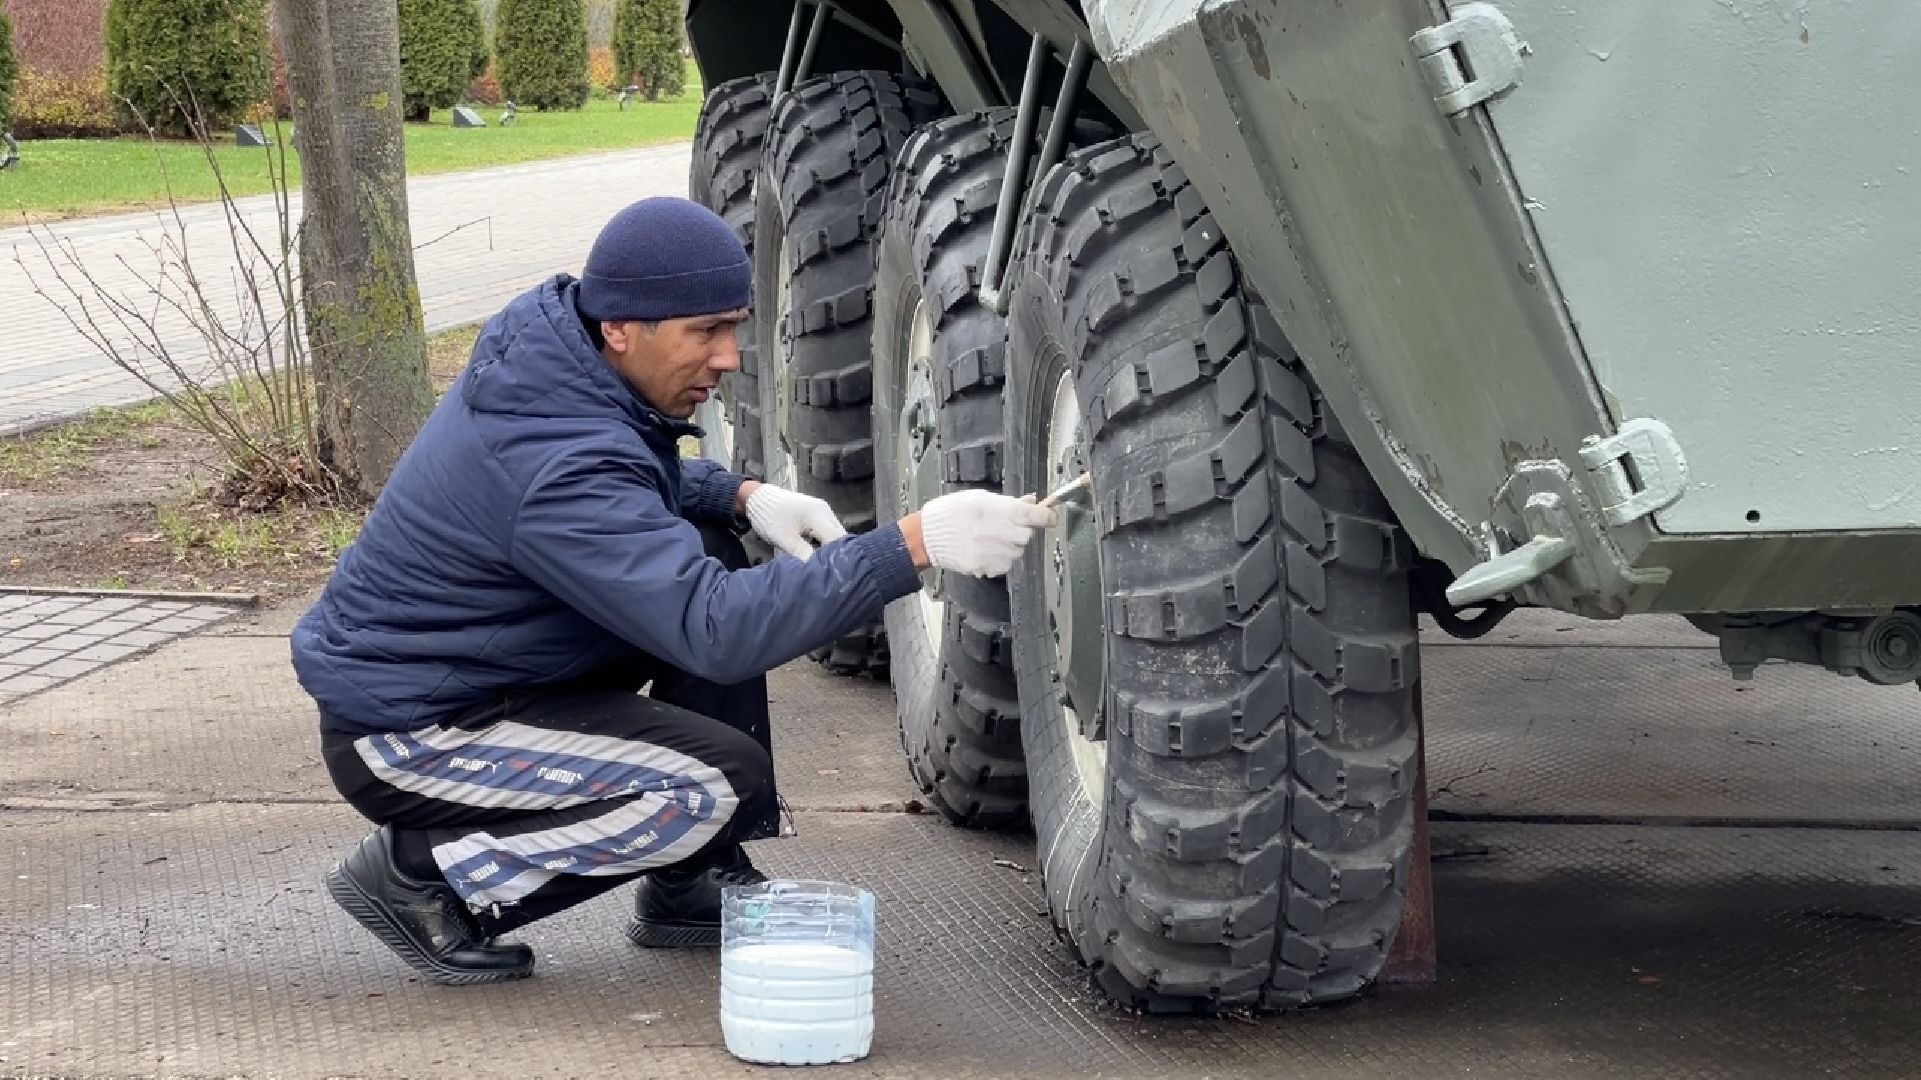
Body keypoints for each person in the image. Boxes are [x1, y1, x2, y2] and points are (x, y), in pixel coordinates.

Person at [290, 196, 1055, 985]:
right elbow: (714, 627)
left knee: (706, 546)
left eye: (733, 326)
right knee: (711, 784)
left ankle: (691, 883)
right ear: (621, 328)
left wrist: (737, 494)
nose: (728, 356)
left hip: (483, 675)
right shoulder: (553, 454)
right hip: (413, 736)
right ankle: (423, 876)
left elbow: (620, 481)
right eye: (706, 332)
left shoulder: (562, 364)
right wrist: (913, 544)